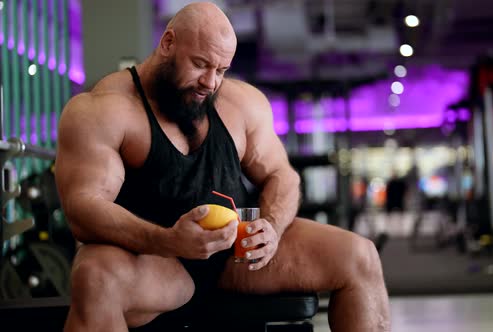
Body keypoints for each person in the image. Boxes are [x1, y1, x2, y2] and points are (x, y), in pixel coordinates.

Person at [55, 2, 390, 331]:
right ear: (168, 43)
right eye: (201, 64)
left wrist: (271, 227)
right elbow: (83, 208)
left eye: (221, 70)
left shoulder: (240, 103)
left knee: (360, 256)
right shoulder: (105, 110)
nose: (211, 82)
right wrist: (168, 240)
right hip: (156, 261)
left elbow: (281, 175)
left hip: (236, 256)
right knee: (95, 279)